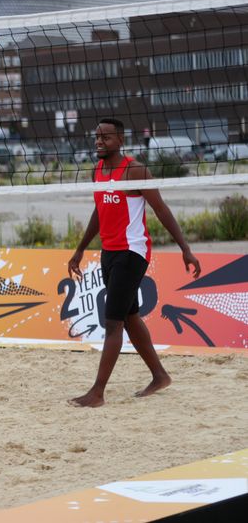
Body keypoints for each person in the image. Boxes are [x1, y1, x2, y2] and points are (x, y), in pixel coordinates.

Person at [67, 118, 200, 408]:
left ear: (121, 140)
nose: (100, 142)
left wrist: (185, 249)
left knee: (112, 322)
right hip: (110, 252)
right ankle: (160, 375)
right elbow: (99, 212)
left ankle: (97, 393)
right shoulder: (98, 170)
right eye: (97, 137)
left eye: (106, 138)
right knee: (128, 317)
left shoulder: (135, 170)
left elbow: (161, 210)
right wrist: (80, 249)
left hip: (133, 252)